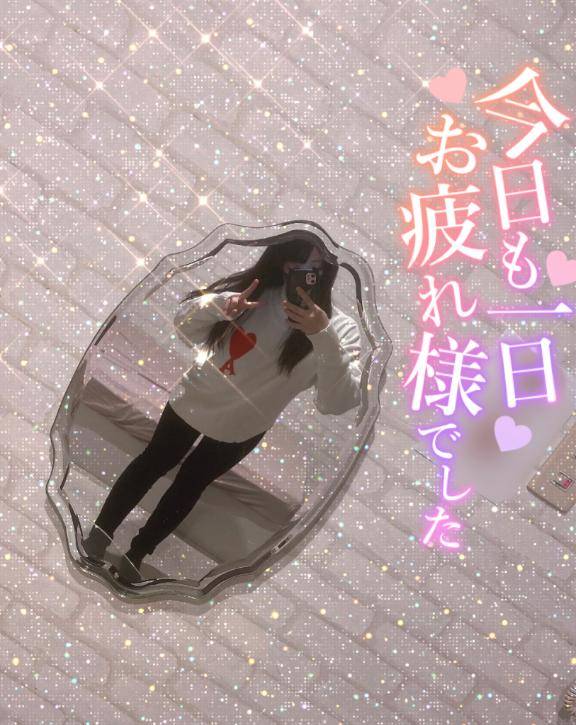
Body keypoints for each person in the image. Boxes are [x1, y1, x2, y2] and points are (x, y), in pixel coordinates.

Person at [80, 235, 363, 583]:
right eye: (296, 259)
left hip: (245, 426)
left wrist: (323, 336)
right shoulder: (255, 290)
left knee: (190, 485)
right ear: (280, 257)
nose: (302, 271)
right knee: (152, 462)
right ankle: (99, 535)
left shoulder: (340, 329)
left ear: (328, 271)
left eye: (315, 266)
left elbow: (337, 402)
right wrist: (221, 306)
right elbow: (184, 326)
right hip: (196, 398)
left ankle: (137, 554)